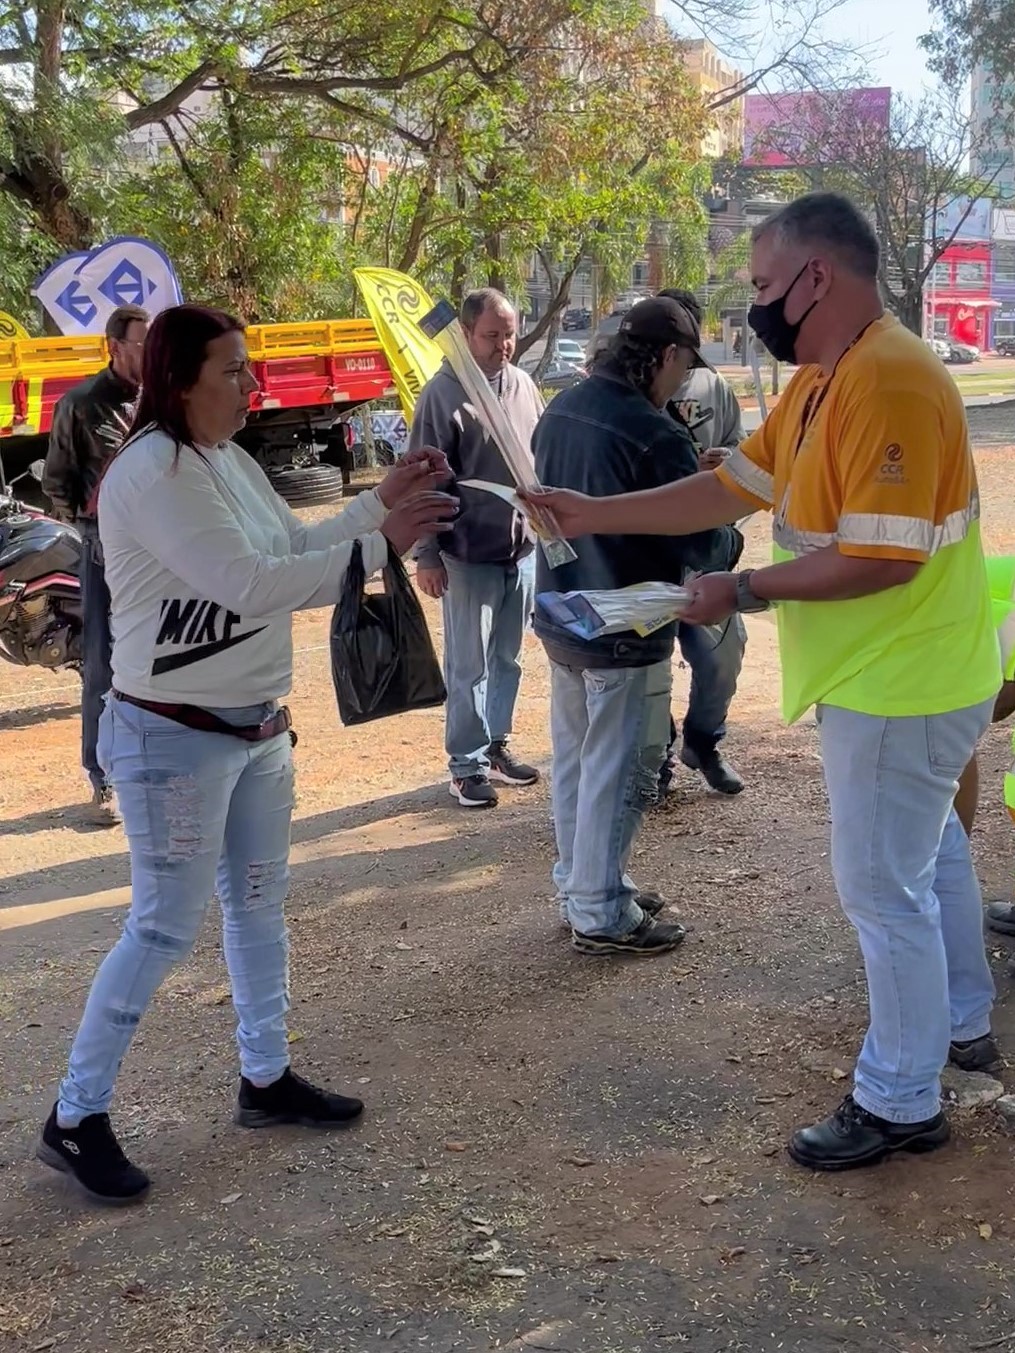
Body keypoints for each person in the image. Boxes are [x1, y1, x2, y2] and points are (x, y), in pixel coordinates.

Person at [524, 193, 1002, 1167]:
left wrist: (734, 588)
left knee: (881, 889)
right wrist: (588, 512)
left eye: (762, 287)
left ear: (815, 277)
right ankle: (960, 1022)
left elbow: (884, 559)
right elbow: (730, 485)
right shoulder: (827, 381)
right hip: (891, 673)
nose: (755, 310)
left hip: (903, 677)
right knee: (925, 859)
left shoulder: (895, 382)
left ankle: (900, 1096)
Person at [36, 304, 456, 1205]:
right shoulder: (151, 472)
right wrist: (382, 541)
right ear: (181, 378)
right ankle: (75, 1116)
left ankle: (264, 1076)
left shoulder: (225, 459)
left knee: (258, 910)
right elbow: (251, 583)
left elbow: (292, 544)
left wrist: (377, 503)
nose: (252, 385)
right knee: (160, 927)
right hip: (172, 738)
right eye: (233, 370)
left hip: (252, 730)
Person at [532, 296, 743, 956]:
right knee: (622, 769)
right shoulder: (654, 431)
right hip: (627, 622)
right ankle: (599, 910)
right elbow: (703, 544)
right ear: (668, 356)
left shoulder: (562, 406)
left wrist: (689, 471)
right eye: (684, 366)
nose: (684, 380)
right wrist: (727, 517)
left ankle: (584, 883)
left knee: (574, 761)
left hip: (562, 610)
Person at [410, 288, 544, 809]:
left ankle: (496, 745)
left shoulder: (525, 386)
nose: (503, 345)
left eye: (509, 334)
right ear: (465, 334)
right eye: (492, 335)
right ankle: (464, 765)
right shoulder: (443, 394)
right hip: (466, 554)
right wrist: (427, 553)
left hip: (522, 550)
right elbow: (424, 480)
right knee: (469, 666)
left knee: (507, 658)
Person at [43, 304, 149, 825]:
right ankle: (102, 777)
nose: (150, 354)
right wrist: (91, 529)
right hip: (103, 552)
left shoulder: (161, 401)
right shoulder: (81, 405)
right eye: (141, 345)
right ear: (115, 347)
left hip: (159, 551)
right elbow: (56, 483)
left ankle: (151, 768)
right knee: (103, 664)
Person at [656, 288, 748, 797]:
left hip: (705, 551)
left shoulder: (715, 388)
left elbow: (745, 454)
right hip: (650, 554)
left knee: (721, 654)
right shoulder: (635, 390)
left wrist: (724, 466)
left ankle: (703, 741)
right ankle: (659, 753)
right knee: (649, 663)